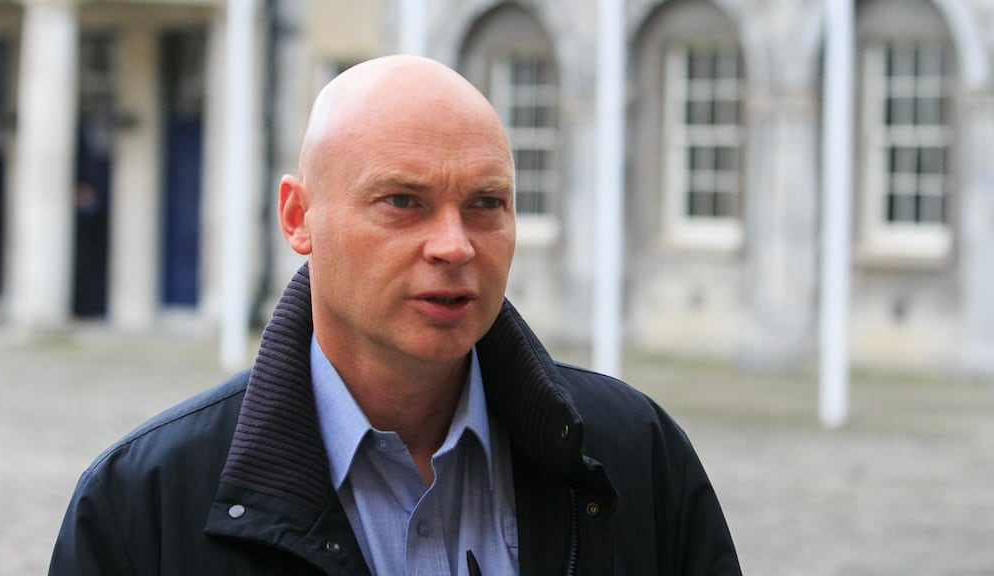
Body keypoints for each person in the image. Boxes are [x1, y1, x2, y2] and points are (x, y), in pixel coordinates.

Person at [49, 55, 741, 575]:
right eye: (403, 202)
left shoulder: (635, 456)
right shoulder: (142, 505)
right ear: (299, 217)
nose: (453, 244)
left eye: (486, 203)